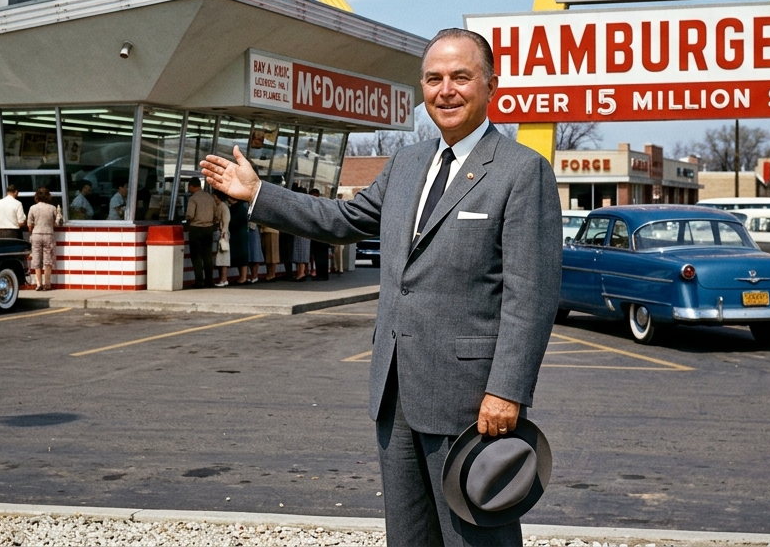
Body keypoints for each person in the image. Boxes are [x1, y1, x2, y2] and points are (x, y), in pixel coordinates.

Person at [201, 28, 560, 546]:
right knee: (409, 537)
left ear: (490, 85)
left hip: (469, 402)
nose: (446, 90)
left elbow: (531, 297)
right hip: (395, 394)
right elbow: (342, 217)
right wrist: (258, 194)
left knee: (477, 537)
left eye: (461, 77)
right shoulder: (409, 163)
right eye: (434, 79)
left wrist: (507, 390)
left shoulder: (522, 172)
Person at [26, 187, 63, 291]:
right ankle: (47, 284)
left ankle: (38, 284)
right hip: (48, 234)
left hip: (36, 234)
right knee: (48, 260)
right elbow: (57, 223)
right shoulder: (52, 208)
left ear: (37, 196)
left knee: (36, 260)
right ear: (48, 196)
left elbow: (29, 224)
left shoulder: (33, 208)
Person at [184, 178, 218, 288]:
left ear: (192, 186)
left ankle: (199, 281)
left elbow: (190, 215)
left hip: (196, 229)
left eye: (190, 187)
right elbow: (216, 214)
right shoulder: (209, 197)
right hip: (209, 228)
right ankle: (209, 281)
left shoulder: (193, 199)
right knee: (208, 256)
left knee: (196, 256)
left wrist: (187, 223)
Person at [309, 188, 331, 282]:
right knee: (321, 256)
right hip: (324, 235)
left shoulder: (315, 206)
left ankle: (321, 275)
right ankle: (323, 275)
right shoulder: (324, 205)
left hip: (319, 234)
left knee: (320, 256)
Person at [213, 191, 232, 287]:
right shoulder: (220, 206)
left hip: (223, 234)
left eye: (214, 196)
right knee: (221, 259)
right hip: (222, 234)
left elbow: (226, 221)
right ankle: (222, 279)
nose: (213, 198)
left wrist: (223, 233)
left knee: (223, 258)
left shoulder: (224, 207)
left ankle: (224, 279)